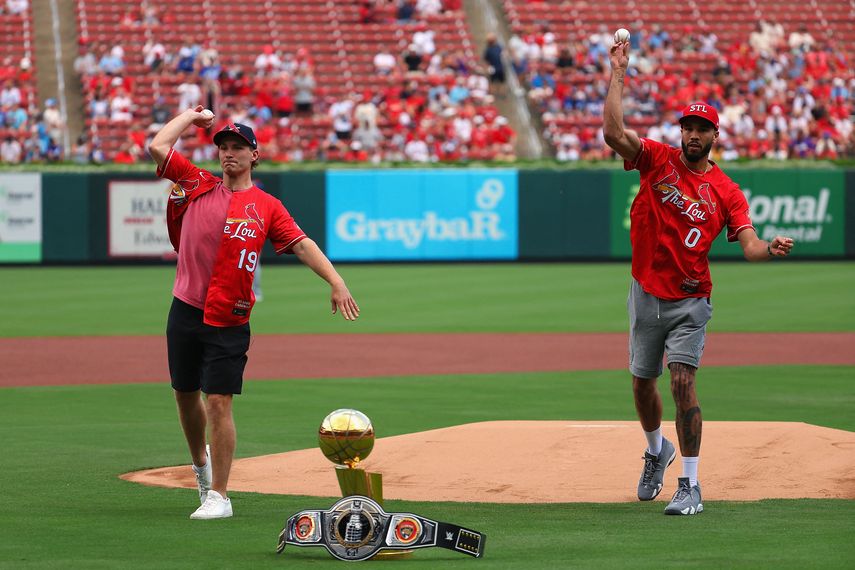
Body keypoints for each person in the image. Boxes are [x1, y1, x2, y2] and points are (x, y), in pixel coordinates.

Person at [603, 37, 794, 515]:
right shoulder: (656, 159)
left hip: (691, 299)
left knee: (682, 381)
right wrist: (618, 72)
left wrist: (767, 248)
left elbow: (748, 244)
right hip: (647, 291)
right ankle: (656, 451)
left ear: (714, 136)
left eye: (701, 128)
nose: (692, 133)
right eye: (687, 126)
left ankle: (690, 485)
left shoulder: (727, 191)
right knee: (641, 383)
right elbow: (613, 133)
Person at [147, 106, 360, 520]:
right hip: (186, 308)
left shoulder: (266, 205)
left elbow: (301, 244)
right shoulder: (196, 182)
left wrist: (336, 282)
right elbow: (158, 145)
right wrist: (191, 116)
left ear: (254, 155)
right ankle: (201, 466)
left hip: (229, 318)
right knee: (184, 394)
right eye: (224, 147)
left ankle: (220, 496)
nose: (229, 153)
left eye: (238, 147)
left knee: (220, 402)